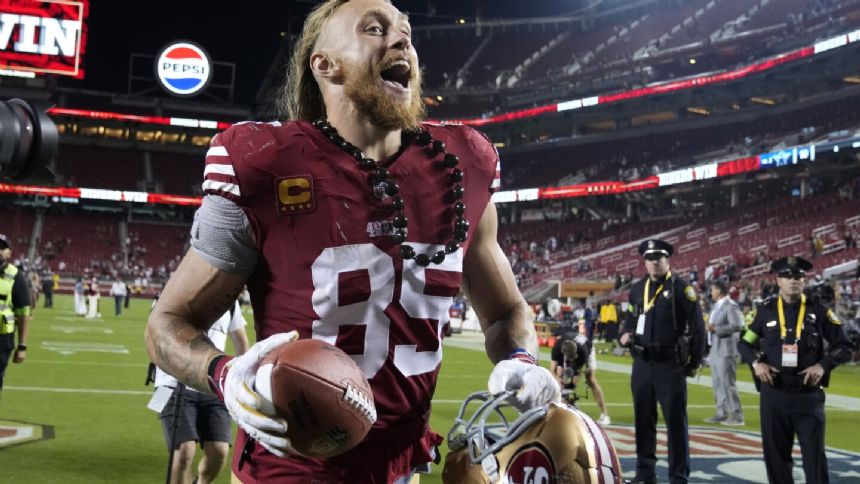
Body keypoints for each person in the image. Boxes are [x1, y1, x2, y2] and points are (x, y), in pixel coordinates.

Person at [145, 1, 560, 482]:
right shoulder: (264, 163)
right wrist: (225, 374)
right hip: (288, 468)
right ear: (325, 64)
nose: (402, 40)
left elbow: (506, 311)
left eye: (405, 31)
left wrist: (521, 358)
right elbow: (167, 325)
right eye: (375, 29)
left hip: (404, 467)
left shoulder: (462, 163)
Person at [738, 256, 852, 484]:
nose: (793, 281)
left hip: (807, 395)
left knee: (814, 458)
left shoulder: (818, 311)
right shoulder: (765, 311)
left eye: (799, 277)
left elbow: (844, 346)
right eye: (788, 276)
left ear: (805, 280)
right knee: (776, 459)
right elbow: (744, 343)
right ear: (778, 280)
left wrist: (823, 365)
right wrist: (756, 363)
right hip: (774, 394)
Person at [620, 239, 705, 484]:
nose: (654, 263)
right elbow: (629, 320)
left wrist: (692, 363)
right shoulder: (637, 290)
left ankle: (678, 477)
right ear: (644, 262)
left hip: (670, 364)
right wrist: (624, 334)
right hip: (642, 364)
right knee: (643, 422)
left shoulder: (681, 288)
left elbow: (698, 329)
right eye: (649, 259)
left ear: (667, 260)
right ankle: (645, 473)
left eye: (658, 258)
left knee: (676, 425)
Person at [150, 300, 250, 484]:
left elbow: (241, 342)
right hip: (173, 384)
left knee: (219, 452)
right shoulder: (174, 292)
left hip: (211, 387)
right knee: (184, 452)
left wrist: (241, 378)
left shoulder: (229, 303)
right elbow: (155, 334)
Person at [704, 280, 744, 426]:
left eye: (713, 290)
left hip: (726, 350)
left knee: (728, 383)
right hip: (715, 349)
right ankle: (722, 413)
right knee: (717, 383)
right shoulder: (716, 306)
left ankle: (737, 415)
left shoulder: (730, 306)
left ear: (719, 291)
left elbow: (737, 325)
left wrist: (716, 330)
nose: (711, 292)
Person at [550, 330, 611, 425]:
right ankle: (569, 409)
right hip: (569, 348)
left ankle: (605, 415)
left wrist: (569, 387)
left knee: (591, 380)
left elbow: (578, 372)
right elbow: (552, 371)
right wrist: (559, 381)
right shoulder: (557, 348)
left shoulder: (582, 351)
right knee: (559, 379)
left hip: (588, 349)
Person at [0, 234, 31, 394]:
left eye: (2, 247)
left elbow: (23, 314)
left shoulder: (16, 277)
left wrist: (22, 346)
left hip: (2, 338)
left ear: (9, 253)